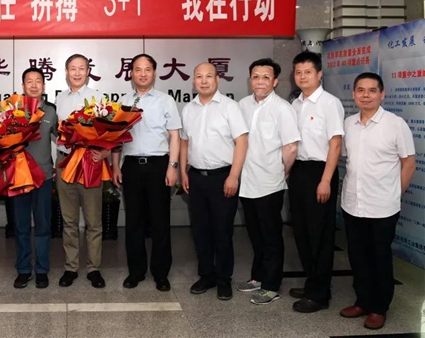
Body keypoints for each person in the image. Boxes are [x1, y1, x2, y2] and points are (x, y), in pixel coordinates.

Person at [339, 72, 415, 331]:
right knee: (357, 256)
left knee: (379, 257)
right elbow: (348, 159)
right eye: (360, 90)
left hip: (383, 207)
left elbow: (409, 163)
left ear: (382, 94)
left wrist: (394, 193)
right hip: (352, 203)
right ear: (354, 94)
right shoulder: (348, 124)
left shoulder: (395, 124)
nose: (366, 95)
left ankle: (379, 307)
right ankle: (362, 300)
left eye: (372, 90)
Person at [112, 53, 181, 292]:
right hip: (131, 166)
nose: (142, 74)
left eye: (147, 69)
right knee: (133, 222)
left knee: (160, 221)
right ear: (131, 73)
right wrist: (115, 166)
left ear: (154, 73)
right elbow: (116, 138)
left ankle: (161, 274)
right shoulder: (123, 101)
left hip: (158, 165)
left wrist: (173, 166)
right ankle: (136, 272)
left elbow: (175, 136)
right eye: (138, 69)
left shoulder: (165, 101)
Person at [179, 63, 248, 301]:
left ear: (217, 80)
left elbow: (242, 142)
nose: (204, 81)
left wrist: (234, 176)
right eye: (199, 76)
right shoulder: (188, 109)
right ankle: (206, 275)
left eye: (209, 76)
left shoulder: (230, 107)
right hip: (196, 177)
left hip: (223, 177)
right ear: (194, 81)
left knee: (222, 231)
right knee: (200, 231)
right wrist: (183, 172)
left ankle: (224, 278)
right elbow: (184, 142)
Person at [237, 58, 300, 305]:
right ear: (250, 80)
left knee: (271, 235)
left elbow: (291, 147)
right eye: (256, 76)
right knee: (255, 234)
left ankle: (272, 285)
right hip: (247, 181)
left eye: (266, 77)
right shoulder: (242, 105)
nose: (260, 81)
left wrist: (283, 171)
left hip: (270, 183)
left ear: (275, 81)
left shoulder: (282, 108)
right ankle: (258, 277)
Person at [288, 52, 344, 313]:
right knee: (301, 231)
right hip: (299, 171)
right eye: (298, 72)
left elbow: (336, 144)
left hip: (320, 172)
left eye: (307, 72)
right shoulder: (295, 104)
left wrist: (326, 180)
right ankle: (313, 282)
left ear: (319, 74)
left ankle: (319, 295)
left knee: (319, 234)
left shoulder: (329, 103)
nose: (302, 77)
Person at [54, 54, 107, 289]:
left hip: (89, 163)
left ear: (88, 72)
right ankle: (71, 267)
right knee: (69, 220)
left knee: (94, 221)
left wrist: (105, 152)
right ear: (66, 72)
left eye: (81, 68)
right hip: (65, 162)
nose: (77, 73)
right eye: (72, 69)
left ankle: (94, 269)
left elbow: (109, 132)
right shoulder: (59, 99)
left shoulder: (98, 98)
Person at [12, 68, 58, 289]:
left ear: (43, 86)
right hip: (19, 178)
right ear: (23, 86)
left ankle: (41, 270)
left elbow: (63, 137)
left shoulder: (51, 111)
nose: (33, 85)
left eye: (37, 81)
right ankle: (23, 270)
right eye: (29, 81)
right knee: (21, 227)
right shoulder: (13, 111)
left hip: (44, 176)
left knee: (42, 226)